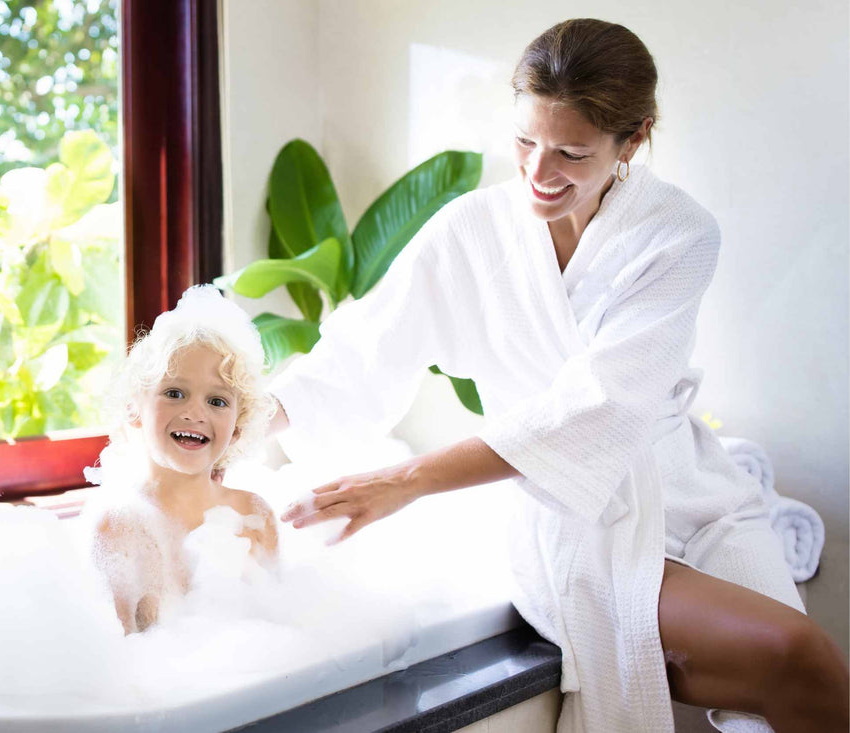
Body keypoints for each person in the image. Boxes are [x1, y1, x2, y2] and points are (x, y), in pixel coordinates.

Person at [268, 18, 849, 733]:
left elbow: (602, 404)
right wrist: (232, 421)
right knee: (803, 657)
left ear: (632, 140)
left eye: (571, 152)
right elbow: (364, 347)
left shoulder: (680, 234)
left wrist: (409, 479)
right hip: (571, 512)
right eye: (524, 142)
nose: (537, 174)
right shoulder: (472, 230)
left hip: (697, 493)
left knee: (809, 671)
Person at [91, 286, 278, 634]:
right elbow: (121, 658)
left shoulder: (254, 515)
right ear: (135, 409)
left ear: (238, 426)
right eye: (174, 393)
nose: (195, 412)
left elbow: (276, 631)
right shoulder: (118, 527)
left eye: (218, 401)